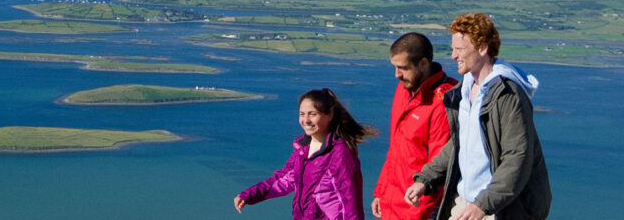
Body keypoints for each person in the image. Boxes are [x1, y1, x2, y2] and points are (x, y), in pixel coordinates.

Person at [405, 13, 551, 220]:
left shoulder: (508, 95)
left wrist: (482, 206)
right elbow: (459, 144)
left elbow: (517, 158)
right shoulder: (463, 90)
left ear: (482, 48)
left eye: (460, 49)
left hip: (497, 209)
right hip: (466, 203)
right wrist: (425, 179)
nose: (453, 56)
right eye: (453, 49)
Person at [233, 88, 374, 220]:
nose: (306, 120)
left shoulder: (340, 153)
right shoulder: (302, 149)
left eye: (312, 114)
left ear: (329, 115)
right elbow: (283, 180)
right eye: (302, 114)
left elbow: (349, 200)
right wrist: (250, 195)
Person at [373, 33, 455, 220]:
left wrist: (416, 216)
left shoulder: (442, 102)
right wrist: (381, 192)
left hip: (420, 208)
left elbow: (438, 167)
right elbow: (396, 147)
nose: (397, 75)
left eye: (402, 68)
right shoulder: (403, 90)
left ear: (423, 64)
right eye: (395, 67)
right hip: (393, 202)